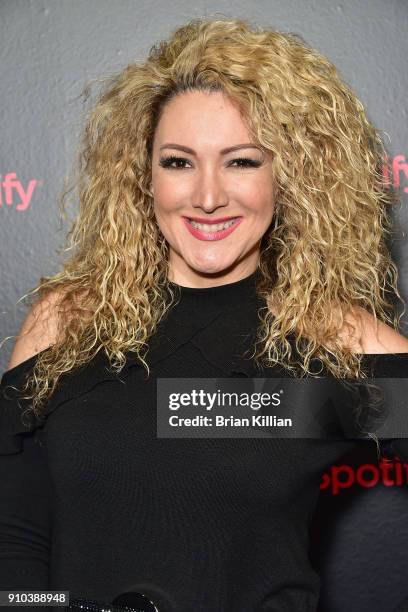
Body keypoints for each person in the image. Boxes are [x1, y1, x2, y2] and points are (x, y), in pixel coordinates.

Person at [1, 16, 408, 612]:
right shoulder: (66, 321)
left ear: (287, 177)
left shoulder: (337, 343)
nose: (208, 195)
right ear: (143, 177)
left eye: (242, 161)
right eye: (178, 162)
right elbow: (15, 535)